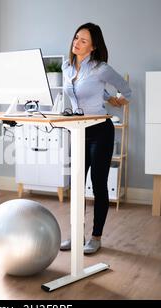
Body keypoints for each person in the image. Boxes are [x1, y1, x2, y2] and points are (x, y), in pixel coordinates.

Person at [60, 22, 132, 254]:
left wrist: (118, 99)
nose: (76, 43)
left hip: (100, 130)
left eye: (83, 40)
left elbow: (126, 89)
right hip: (79, 130)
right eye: (76, 37)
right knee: (76, 185)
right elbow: (85, 90)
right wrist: (106, 96)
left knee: (98, 185)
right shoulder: (67, 67)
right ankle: (76, 235)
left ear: (92, 47)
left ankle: (96, 237)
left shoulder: (101, 68)